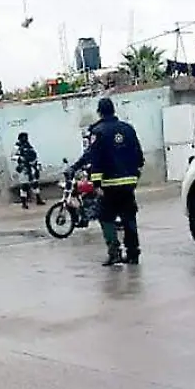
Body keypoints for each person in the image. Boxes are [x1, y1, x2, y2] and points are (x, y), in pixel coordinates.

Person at [69, 97, 144, 266]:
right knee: (129, 218)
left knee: (105, 217)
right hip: (128, 184)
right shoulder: (128, 129)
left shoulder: (98, 132)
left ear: (100, 112)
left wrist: (96, 184)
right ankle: (133, 253)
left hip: (109, 185)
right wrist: (135, 175)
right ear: (113, 110)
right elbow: (139, 156)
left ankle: (114, 252)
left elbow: (95, 158)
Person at [13, 132, 44, 209]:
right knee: (24, 186)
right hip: (24, 168)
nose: (25, 138)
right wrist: (20, 158)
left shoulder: (29, 146)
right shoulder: (17, 147)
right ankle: (24, 203)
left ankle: (38, 199)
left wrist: (37, 164)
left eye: (26, 137)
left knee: (35, 184)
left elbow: (34, 155)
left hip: (32, 167)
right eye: (23, 137)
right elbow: (13, 156)